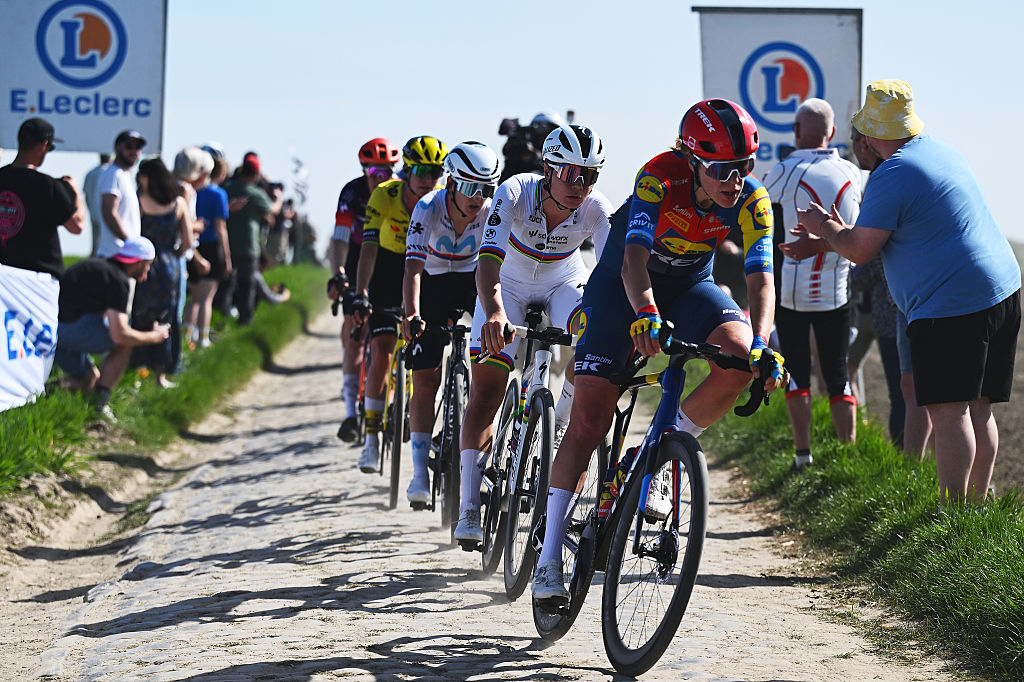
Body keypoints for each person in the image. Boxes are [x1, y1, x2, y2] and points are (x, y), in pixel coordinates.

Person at [532, 100, 785, 603]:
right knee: (590, 418)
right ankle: (548, 556)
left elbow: (761, 278)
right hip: (623, 286)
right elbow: (632, 260)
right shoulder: (659, 177)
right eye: (721, 169)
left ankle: (663, 449)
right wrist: (645, 313)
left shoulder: (752, 200)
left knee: (738, 361)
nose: (734, 180)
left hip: (691, 287)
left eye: (744, 166)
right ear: (693, 160)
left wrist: (761, 343)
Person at [797, 79, 1021, 504]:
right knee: (979, 407)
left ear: (871, 134)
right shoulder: (941, 151)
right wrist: (833, 237)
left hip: (952, 304)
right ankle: (976, 509)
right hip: (1002, 289)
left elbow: (860, 250)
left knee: (949, 412)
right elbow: (889, 235)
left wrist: (822, 225)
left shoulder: (893, 173)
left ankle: (953, 517)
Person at [456, 124, 613, 546]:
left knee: (596, 339)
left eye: (590, 175)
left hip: (563, 281)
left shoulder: (596, 207)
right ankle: (469, 506)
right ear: (548, 168)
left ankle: (559, 420)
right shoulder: (514, 192)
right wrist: (494, 313)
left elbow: (611, 274)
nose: (580, 185)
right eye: (571, 173)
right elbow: (487, 261)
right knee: (487, 390)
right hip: (506, 284)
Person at [401, 142, 500, 507]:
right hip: (433, 281)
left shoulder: (490, 210)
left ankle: (480, 458)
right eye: (471, 187)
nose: (478, 198)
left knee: (489, 373)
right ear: (452, 184)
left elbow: (499, 266)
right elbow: (413, 268)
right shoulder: (428, 207)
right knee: (426, 378)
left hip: (473, 279)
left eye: (486, 188)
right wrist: (412, 313)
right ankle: (418, 474)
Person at [764, 98, 861, 469]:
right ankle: (849, 460)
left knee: (797, 376)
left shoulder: (786, 169)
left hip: (792, 294)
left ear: (796, 131)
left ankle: (803, 457)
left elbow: (756, 201)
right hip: (837, 293)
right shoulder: (854, 173)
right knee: (838, 375)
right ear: (832, 133)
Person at [352, 135, 448, 472]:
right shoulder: (384, 194)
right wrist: (361, 293)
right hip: (389, 268)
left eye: (435, 172)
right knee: (381, 349)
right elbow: (368, 248)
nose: (428, 179)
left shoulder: (441, 199)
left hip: (424, 270)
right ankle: (370, 440)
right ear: (406, 169)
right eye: (421, 171)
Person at [0, 118, 85, 411]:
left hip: (4, 277)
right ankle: (28, 395)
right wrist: (75, 192)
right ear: (44, 146)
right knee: (38, 344)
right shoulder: (49, 186)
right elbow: (77, 225)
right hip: (37, 281)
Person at [328, 138, 401, 442]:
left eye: (387, 171)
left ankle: (394, 393)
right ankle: (349, 412)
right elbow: (340, 237)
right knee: (354, 333)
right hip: (358, 253)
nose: (379, 177)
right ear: (363, 170)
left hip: (391, 256)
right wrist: (339, 274)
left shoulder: (400, 191)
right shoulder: (352, 193)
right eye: (373, 171)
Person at [54, 236, 170, 420]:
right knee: (125, 343)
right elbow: (120, 335)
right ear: (138, 262)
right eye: (147, 265)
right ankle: (100, 407)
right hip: (63, 331)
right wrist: (155, 336)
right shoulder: (118, 280)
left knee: (90, 379)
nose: (147, 271)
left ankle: (42, 394)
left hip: (50, 332)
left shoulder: (101, 268)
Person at [130, 159, 193, 388]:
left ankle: (136, 371)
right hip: (169, 266)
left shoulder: (139, 201)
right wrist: (174, 255)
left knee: (140, 315)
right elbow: (187, 241)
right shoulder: (179, 203)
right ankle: (161, 374)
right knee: (167, 318)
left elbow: (132, 234)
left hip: (145, 265)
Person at [223, 156, 282, 325]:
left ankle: (223, 315)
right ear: (256, 173)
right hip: (248, 246)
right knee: (247, 285)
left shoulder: (227, 188)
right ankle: (245, 320)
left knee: (226, 284)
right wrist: (279, 198)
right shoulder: (255, 193)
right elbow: (273, 209)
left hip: (227, 243)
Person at [184, 157, 232, 348]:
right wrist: (227, 256)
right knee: (206, 298)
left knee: (194, 298)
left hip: (194, 246)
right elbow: (221, 227)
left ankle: (187, 337)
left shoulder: (194, 191)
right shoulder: (219, 194)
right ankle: (203, 337)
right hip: (212, 245)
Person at [96, 130, 146, 258]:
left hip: (123, 254)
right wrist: (129, 242)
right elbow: (109, 212)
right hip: (114, 254)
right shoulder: (113, 174)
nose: (134, 151)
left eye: (138, 147)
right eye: (129, 146)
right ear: (117, 148)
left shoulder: (124, 175)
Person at [82, 153, 111, 255]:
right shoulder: (109, 173)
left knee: (95, 243)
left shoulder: (90, 173)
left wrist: (90, 209)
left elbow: (86, 195)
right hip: (106, 215)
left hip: (93, 213)